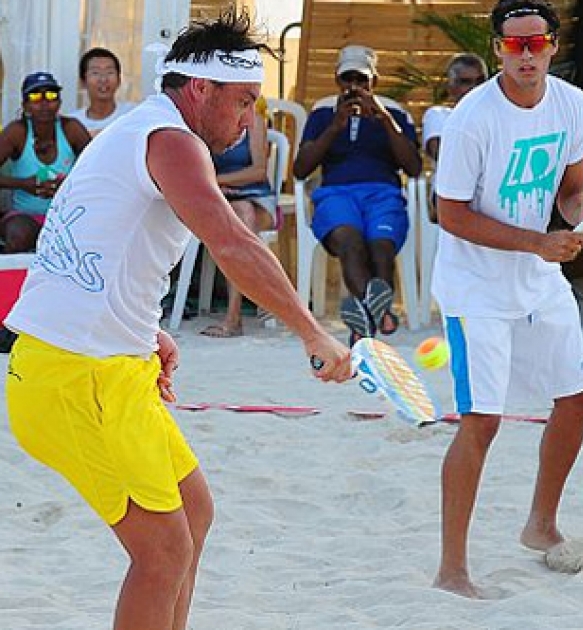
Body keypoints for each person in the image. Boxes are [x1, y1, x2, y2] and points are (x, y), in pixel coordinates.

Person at [4, 9, 351, 630]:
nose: (248, 121)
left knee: (194, 515)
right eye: (243, 102)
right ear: (200, 89)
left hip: (103, 365)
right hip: (72, 378)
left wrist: (144, 328)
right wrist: (312, 331)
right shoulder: (171, 140)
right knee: (163, 551)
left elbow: (88, 241)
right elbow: (234, 244)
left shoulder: (138, 129)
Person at [431, 0, 583, 598]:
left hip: (537, 276)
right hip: (475, 284)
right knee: (482, 421)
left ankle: (541, 523)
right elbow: (448, 213)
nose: (526, 55)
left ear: (555, 44)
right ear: (496, 47)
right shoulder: (473, 118)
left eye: (536, 43)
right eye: (513, 45)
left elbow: (574, 189)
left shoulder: (573, 105)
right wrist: (539, 241)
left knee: (580, 401)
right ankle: (452, 571)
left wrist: (582, 221)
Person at [293, 44, 422, 344]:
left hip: (383, 193)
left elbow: (414, 167)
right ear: (337, 81)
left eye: (361, 80)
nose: (354, 87)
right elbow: (300, 170)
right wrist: (335, 127)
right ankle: (380, 315)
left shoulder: (395, 113)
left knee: (381, 247)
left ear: (374, 81)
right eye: (347, 80)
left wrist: (384, 119)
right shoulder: (324, 112)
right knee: (350, 242)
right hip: (336, 194)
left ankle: (364, 323)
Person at [202, 102, 278, 338]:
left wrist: (218, 180)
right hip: (218, 199)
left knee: (244, 213)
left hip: (256, 198)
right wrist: (216, 187)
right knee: (241, 215)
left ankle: (234, 317)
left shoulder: (254, 121)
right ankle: (263, 290)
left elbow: (258, 171)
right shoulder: (206, 123)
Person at [0, 72, 91, 253]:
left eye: (51, 95)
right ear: (25, 105)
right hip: (26, 216)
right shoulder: (17, 132)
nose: (44, 103)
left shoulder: (71, 128)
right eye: (35, 96)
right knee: (18, 235)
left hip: (68, 216)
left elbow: (98, 170)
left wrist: (68, 183)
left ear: (59, 102)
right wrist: (23, 184)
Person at [422, 53, 489, 164]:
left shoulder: (499, 117)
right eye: (466, 82)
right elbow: (442, 155)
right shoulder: (438, 115)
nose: (474, 88)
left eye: (480, 81)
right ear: (450, 86)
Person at [69, 48, 137, 136]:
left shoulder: (132, 114)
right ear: (83, 82)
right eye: (95, 73)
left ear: (119, 80)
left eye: (110, 72)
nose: (103, 79)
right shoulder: (73, 123)